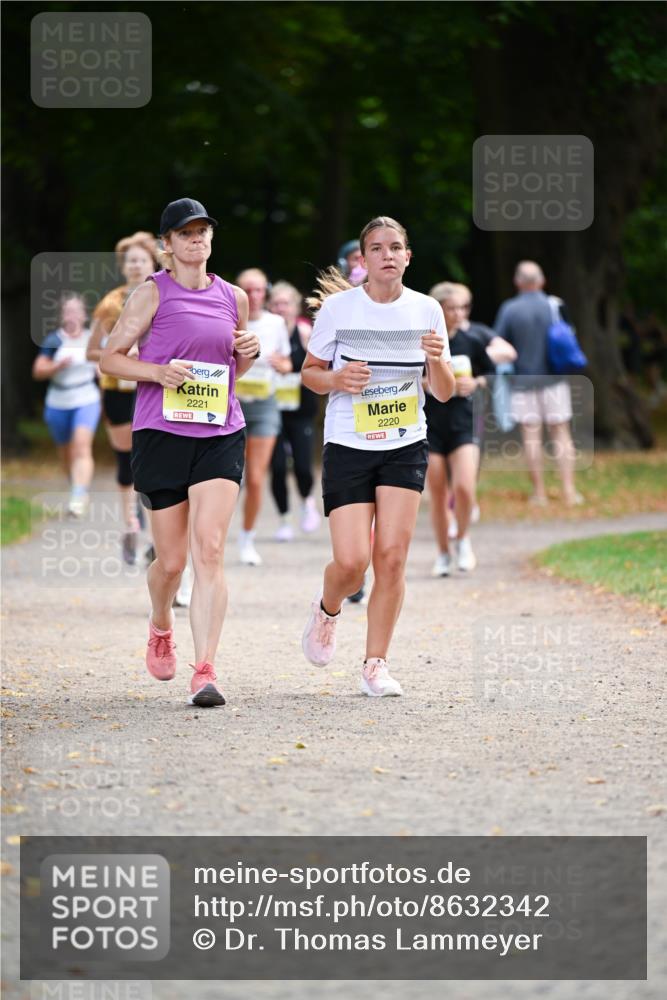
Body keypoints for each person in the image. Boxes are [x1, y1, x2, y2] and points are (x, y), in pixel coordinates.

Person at [99, 198, 260, 707]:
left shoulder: (234, 296)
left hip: (219, 432)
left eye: (204, 231)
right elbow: (110, 358)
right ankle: (161, 622)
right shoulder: (151, 294)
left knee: (208, 549)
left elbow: (231, 375)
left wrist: (245, 358)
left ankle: (206, 670)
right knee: (170, 562)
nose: (197, 239)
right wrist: (157, 371)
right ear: (166, 244)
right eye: (186, 233)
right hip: (161, 435)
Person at [301, 216, 454, 697]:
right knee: (351, 563)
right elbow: (310, 373)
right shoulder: (337, 310)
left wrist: (436, 360)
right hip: (348, 441)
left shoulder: (427, 310)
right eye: (377, 248)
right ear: (362, 260)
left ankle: (376, 664)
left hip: (405, 442)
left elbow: (446, 393)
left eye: (396, 247)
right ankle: (327, 610)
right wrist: (336, 381)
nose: (387, 254)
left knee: (391, 558)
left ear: (407, 256)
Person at [87, 231, 159, 564]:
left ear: (152, 262)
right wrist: (118, 353)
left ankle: (156, 531)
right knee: (126, 461)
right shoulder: (110, 302)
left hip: (150, 389)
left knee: (150, 460)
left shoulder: (163, 297)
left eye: (141, 260)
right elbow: (91, 351)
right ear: (123, 265)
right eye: (130, 260)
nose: (135, 265)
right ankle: (130, 525)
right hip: (117, 390)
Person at [494, 261, 582, 506]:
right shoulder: (555, 305)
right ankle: (569, 491)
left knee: (531, 437)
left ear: (518, 282)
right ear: (541, 281)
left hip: (522, 382)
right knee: (561, 433)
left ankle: (539, 494)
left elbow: (498, 344)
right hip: (555, 380)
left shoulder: (510, 309)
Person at [425, 282, 499, 575]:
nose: (458, 313)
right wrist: (437, 385)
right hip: (430, 425)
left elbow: (490, 373)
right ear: (439, 310)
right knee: (438, 492)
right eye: (451, 308)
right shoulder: (426, 343)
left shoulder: (472, 341)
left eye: (462, 308)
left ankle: (463, 538)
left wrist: (476, 383)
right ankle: (443, 552)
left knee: (465, 488)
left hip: (462, 423)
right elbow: (409, 380)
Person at [235, 269, 292, 565]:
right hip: (231, 404)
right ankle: (212, 538)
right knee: (231, 478)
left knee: (256, 478)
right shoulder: (229, 320)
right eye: (248, 290)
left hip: (265, 405)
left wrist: (282, 365)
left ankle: (247, 538)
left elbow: (287, 360)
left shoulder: (276, 323)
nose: (255, 296)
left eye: (259, 290)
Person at [32, 294, 101, 517]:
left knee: (81, 446)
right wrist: (56, 366)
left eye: (76, 311)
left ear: (84, 315)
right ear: (62, 316)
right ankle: (75, 486)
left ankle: (79, 495)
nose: (72, 315)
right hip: (58, 401)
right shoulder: (54, 340)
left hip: (86, 398)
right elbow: (38, 371)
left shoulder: (92, 339)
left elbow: (105, 366)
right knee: (65, 452)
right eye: (67, 311)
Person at [268, 281, 321, 540]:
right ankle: (284, 519)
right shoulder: (265, 331)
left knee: (302, 465)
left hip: (300, 409)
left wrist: (291, 367)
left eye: (285, 303)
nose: (280, 308)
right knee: (277, 467)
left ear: (295, 306)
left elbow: (317, 365)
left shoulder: (304, 331)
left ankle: (307, 501)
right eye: (276, 303)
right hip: (271, 409)